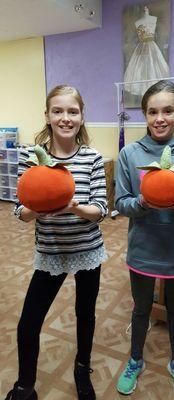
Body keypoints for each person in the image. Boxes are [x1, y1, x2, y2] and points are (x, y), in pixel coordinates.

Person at [4, 85, 108, 400]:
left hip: (87, 250)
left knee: (85, 314)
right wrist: (40, 207)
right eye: (58, 111)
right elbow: (19, 211)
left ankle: (82, 368)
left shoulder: (92, 157)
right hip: (51, 253)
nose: (65, 118)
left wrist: (73, 205)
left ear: (82, 116)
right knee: (28, 323)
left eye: (72, 111)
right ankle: (24, 387)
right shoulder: (31, 157)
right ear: (47, 116)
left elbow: (101, 211)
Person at [115, 80, 174, 400]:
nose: (160, 118)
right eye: (152, 111)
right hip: (143, 249)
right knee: (141, 309)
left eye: (167, 110)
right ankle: (136, 360)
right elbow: (121, 203)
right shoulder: (130, 154)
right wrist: (141, 203)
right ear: (144, 115)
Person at [124, 6, 169, 96]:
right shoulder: (137, 23)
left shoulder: (153, 19)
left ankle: (153, 89)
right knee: (139, 69)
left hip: (151, 46)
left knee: (153, 65)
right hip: (141, 48)